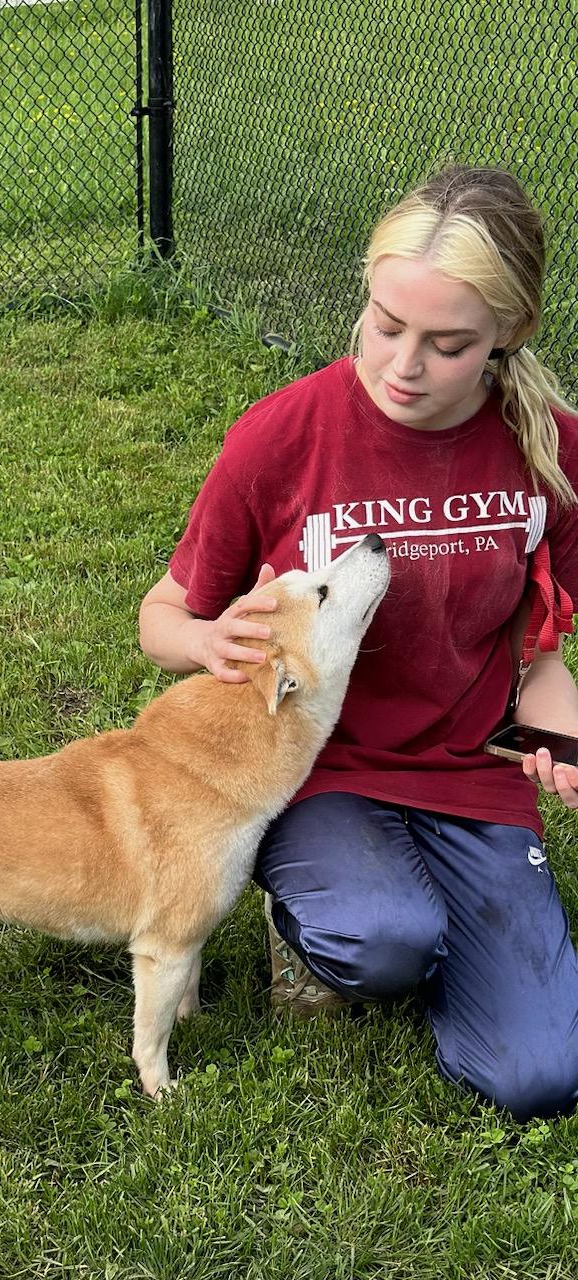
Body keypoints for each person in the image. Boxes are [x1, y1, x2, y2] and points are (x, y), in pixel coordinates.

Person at [138, 164, 578, 1122]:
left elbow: (542, 656)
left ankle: (433, 916)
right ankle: (335, 916)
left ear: (509, 332)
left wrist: (566, 742)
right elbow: (160, 618)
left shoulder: (551, 449)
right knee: (380, 942)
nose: (402, 366)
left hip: (470, 776)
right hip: (314, 769)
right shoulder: (281, 437)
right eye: (385, 324)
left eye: (447, 345)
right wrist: (207, 639)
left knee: (537, 1078)